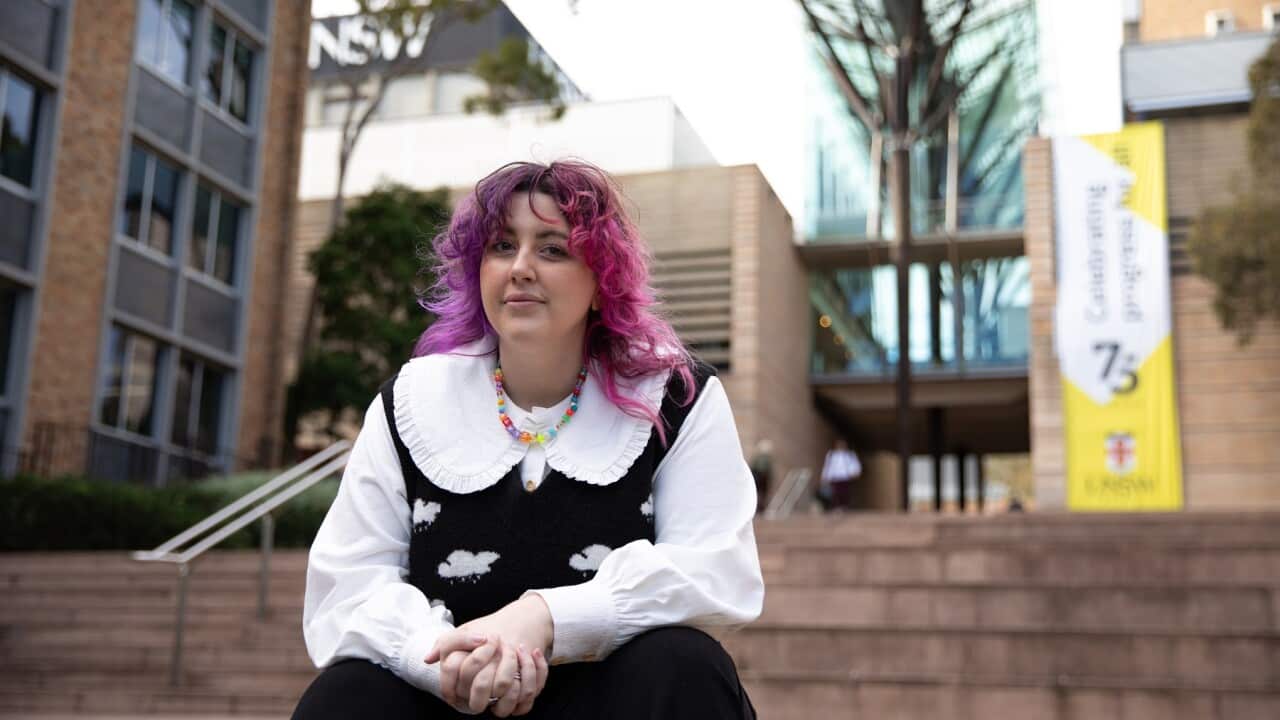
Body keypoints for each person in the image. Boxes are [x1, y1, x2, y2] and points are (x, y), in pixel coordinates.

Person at [292, 161, 763, 720]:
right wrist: (445, 660)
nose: (519, 268)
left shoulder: (678, 396)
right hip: (453, 701)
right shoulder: (413, 401)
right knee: (348, 695)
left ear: (601, 282)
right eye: (500, 246)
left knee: (683, 663)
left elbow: (716, 570)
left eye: (552, 249)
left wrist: (545, 618)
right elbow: (346, 587)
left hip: (611, 703)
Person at [819, 438, 861, 512]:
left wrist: (855, 472)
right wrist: (824, 476)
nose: (841, 446)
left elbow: (855, 464)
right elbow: (827, 466)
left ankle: (844, 507)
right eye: (839, 444)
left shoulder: (850, 455)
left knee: (845, 492)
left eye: (842, 444)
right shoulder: (831, 455)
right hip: (835, 477)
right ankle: (836, 507)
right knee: (835, 492)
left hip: (845, 477)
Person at [748, 438, 773, 515]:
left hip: (760, 479)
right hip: (761, 479)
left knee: (760, 494)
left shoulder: (760, 458)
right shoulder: (764, 459)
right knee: (761, 494)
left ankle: (760, 508)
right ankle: (760, 508)